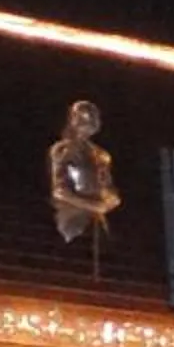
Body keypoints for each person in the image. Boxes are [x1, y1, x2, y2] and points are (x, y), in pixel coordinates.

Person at [48, 100, 121, 243]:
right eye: (82, 116)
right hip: (73, 221)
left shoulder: (102, 155)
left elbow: (108, 189)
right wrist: (93, 206)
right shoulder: (62, 150)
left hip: (97, 223)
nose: (87, 120)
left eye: (91, 116)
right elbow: (59, 191)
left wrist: (109, 200)